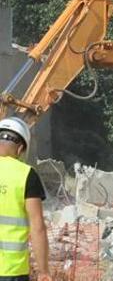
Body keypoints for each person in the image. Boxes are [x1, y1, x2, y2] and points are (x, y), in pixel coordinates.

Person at [0, 117, 51, 281]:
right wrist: (43, 271)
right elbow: (38, 227)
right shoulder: (26, 174)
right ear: (21, 148)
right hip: (12, 271)